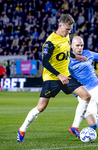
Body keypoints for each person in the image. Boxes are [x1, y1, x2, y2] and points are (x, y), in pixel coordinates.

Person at [17, 14, 90, 143]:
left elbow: (66, 50)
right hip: (52, 78)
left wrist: (76, 57)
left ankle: (74, 127)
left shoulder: (66, 36)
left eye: (71, 29)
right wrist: (59, 75)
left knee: (86, 96)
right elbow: (44, 62)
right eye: (67, 29)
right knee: (41, 107)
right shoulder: (50, 42)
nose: (69, 32)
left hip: (66, 75)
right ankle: (22, 129)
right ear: (60, 26)